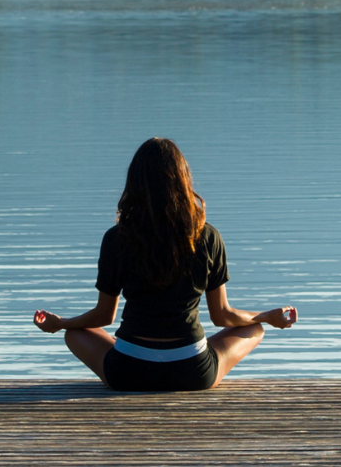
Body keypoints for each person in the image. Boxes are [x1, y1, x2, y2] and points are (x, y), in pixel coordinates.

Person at [34, 137, 297, 391]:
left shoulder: (117, 238)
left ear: (134, 183)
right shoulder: (207, 236)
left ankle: (129, 353)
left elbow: (104, 316)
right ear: (183, 181)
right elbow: (222, 316)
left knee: (75, 333)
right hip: (192, 371)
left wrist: (61, 323)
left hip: (128, 371)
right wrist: (267, 317)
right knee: (255, 327)